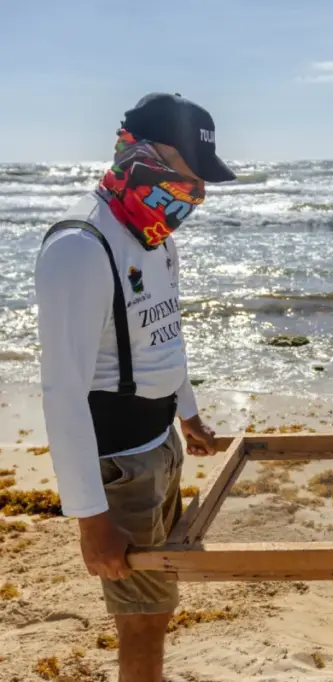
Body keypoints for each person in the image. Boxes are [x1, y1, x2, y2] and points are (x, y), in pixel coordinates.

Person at [34, 92, 236, 682]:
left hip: (161, 449)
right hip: (119, 464)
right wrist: (90, 517)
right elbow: (62, 392)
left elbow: (164, 337)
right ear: (142, 154)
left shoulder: (155, 237)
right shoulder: (79, 246)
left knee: (158, 607)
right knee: (143, 623)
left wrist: (188, 414)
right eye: (189, 172)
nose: (196, 189)